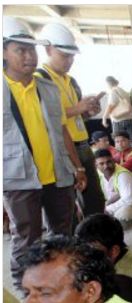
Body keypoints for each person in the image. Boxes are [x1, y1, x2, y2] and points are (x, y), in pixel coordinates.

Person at [3, 16, 87, 288]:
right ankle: (27, 288)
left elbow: (62, 130)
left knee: (62, 232)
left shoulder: (47, 88)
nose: (29, 56)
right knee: (27, 236)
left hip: (57, 173)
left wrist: (78, 167)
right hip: (19, 177)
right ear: (4, 52)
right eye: (20, 50)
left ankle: (60, 280)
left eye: (32, 50)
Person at [37, 22, 105, 220]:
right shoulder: (40, 80)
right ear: (48, 49)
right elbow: (45, 118)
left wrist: (87, 111)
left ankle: (96, 244)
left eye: (72, 56)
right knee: (67, 206)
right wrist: (78, 108)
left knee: (94, 200)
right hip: (63, 150)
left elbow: (74, 116)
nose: (69, 61)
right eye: (64, 56)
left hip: (82, 145)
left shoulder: (70, 81)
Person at [95, 149, 132, 223]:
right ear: (96, 165)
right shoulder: (99, 174)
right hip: (115, 203)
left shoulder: (123, 175)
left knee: (122, 214)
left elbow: (128, 200)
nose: (106, 166)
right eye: (101, 164)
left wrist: (108, 209)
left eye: (109, 162)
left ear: (113, 161)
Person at [102, 76, 132, 140]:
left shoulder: (113, 91)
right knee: (131, 140)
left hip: (119, 121)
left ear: (108, 83)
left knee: (119, 142)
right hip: (129, 118)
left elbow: (111, 105)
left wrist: (104, 118)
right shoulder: (123, 91)